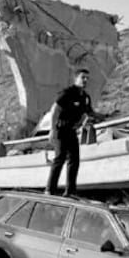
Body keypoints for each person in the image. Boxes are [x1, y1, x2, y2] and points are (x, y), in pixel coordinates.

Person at [45, 68, 104, 197]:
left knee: (74, 160)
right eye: (83, 77)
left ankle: (70, 191)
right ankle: (50, 190)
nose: (85, 80)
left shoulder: (85, 97)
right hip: (60, 129)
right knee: (60, 158)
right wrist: (52, 130)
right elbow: (55, 110)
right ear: (76, 78)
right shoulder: (68, 93)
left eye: (87, 78)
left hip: (72, 131)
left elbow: (90, 112)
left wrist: (103, 116)